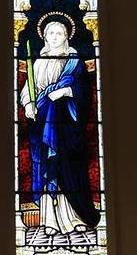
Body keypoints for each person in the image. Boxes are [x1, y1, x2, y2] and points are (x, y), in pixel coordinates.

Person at [20, 20, 100, 235]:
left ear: (67, 37)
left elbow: (85, 91)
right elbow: (28, 89)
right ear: (44, 37)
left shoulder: (74, 61)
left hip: (68, 125)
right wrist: (28, 104)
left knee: (68, 167)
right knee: (47, 168)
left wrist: (66, 92)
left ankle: (74, 217)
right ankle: (50, 221)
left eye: (59, 33)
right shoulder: (38, 62)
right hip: (43, 124)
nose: (55, 37)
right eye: (51, 34)